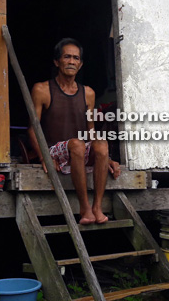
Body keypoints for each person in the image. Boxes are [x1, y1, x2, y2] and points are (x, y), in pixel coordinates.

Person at [29, 38, 120, 225]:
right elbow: (32, 129)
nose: (71, 61)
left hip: (78, 149)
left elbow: (91, 129)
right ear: (57, 62)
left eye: (76, 58)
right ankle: (84, 207)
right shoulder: (42, 89)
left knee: (101, 143)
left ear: (81, 64)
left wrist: (105, 158)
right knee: (77, 144)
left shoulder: (88, 93)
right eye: (67, 57)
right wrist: (43, 157)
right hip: (55, 150)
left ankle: (97, 207)